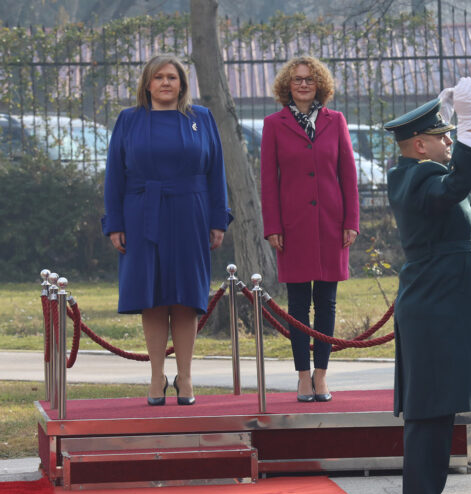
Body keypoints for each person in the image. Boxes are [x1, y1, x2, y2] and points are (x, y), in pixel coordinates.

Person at [384, 78, 471, 494]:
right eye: (442, 136)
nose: (448, 141)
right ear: (418, 144)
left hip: (442, 306)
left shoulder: (422, 173)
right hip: (435, 307)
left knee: (439, 410)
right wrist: (468, 125)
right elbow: (459, 184)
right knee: (429, 413)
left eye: (451, 134)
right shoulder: (420, 177)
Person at [102, 54, 231, 406]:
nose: (165, 83)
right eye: (158, 77)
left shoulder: (200, 118)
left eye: (172, 77)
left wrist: (219, 219)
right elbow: (114, 174)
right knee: (152, 296)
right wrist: (114, 222)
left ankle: (185, 376)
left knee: (186, 297)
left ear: (182, 84)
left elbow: (215, 171)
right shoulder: (128, 120)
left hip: (191, 213)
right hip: (142, 214)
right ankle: (157, 375)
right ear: (147, 83)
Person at [260, 56, 360, 402]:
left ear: (320, 84)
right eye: (297, 79)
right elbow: (268, 183)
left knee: (327, 303)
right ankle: (302, 376)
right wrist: (272, 226)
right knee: (299, 304)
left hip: (332, 224)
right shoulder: (274, 124)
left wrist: (351, 222)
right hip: (293, 227)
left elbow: (348, 174)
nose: (303, 84)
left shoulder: (336, 121)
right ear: (288, 84)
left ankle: (321, 376)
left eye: (310, 79)